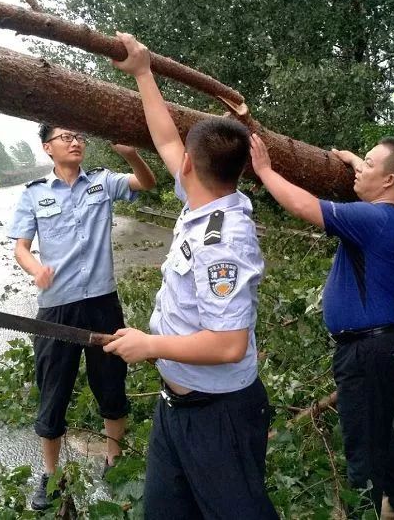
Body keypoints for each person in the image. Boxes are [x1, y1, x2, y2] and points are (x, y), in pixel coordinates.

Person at [104, 32, 278, 520]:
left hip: (218, 415)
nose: (173, 154)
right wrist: (142, 72)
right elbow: (163, 136)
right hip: (175, 408)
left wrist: (149, 345)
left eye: (180, 154)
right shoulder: (203, 200)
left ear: (188, 164)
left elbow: (228, 344)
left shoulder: (223, 241)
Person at [249, 134, 394, 519]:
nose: (361, 169)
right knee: (377, 434)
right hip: (383, 346)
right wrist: (350, 158)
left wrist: (264, 170)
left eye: (369, 164)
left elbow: (303, 205)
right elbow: (371, 173)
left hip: (365, 353)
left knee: (361, 449)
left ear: (390, 181)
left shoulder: (373, 218)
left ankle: (366, 512)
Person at [8, 124, 156, 510]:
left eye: (79, 136)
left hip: (102, 303)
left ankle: (114, 458)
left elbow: (147, 182)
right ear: (48, 148)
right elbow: (21, 248)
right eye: (65, 137)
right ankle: (50, 475)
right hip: (57, 307)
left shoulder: (103, 183)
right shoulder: (34, 194)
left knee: (111, 384)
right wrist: (35, 268)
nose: (75, 142)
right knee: (53, 390)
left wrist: (130, 153)